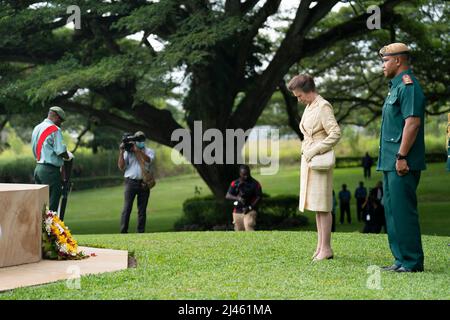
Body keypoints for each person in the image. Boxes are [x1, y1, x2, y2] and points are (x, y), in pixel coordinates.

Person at [377, 43, 426, 273]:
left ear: (398, 61)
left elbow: (412, 123)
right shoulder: (395, 87)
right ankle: (400, 259)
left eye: (385, 60)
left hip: (401, 161)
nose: (382, 65)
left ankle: (412, 261)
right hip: (390, 162)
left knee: (403, 211)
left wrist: (401, 155)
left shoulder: (409, 86)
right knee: (392, 211)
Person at [287, 74, 341, 261]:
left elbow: (335, 133)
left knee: (323, 205)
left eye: (299, 95)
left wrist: (316, 150)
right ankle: (321, 246)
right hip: (309, 159)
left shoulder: (323, 106)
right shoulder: (310, 106)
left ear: (309, 91)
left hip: (319, 160)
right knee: (317, 205)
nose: (298, 99)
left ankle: (326, 248)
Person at [31, 107, 73, 212]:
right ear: (56, 117)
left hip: (38, 169)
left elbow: (34, 148)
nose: (60, 124)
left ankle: (39, 228)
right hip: (50, 171)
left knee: (41, 206)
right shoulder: (54, 129)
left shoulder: (37, 127)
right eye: (60, 121)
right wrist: (68, 156)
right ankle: (49, 229)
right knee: (52, 206)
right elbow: (60, 151)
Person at [118, 131, 155, 233]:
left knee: (142, 210)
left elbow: (148, 160)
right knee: (127, 208)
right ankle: (123, 231)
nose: (140, 142)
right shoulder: (128, 151)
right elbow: (121, 167)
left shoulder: (149, 151)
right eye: (138, 140)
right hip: (130, 182)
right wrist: (121, 151)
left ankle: (140, 232)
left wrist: (138, 151)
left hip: (144, 183)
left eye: (141, 140)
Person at [225, 165, 262, 231]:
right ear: (240, 174)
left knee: (248, 225)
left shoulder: (255, 184)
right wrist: (237, 198)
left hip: (250, 210)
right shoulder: (235, 183)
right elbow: (228, 195)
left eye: (247, 174)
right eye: (244, 175)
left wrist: (250, 207)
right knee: (239, 230)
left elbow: (259, 197)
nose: (246, 176)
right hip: (237, 211)